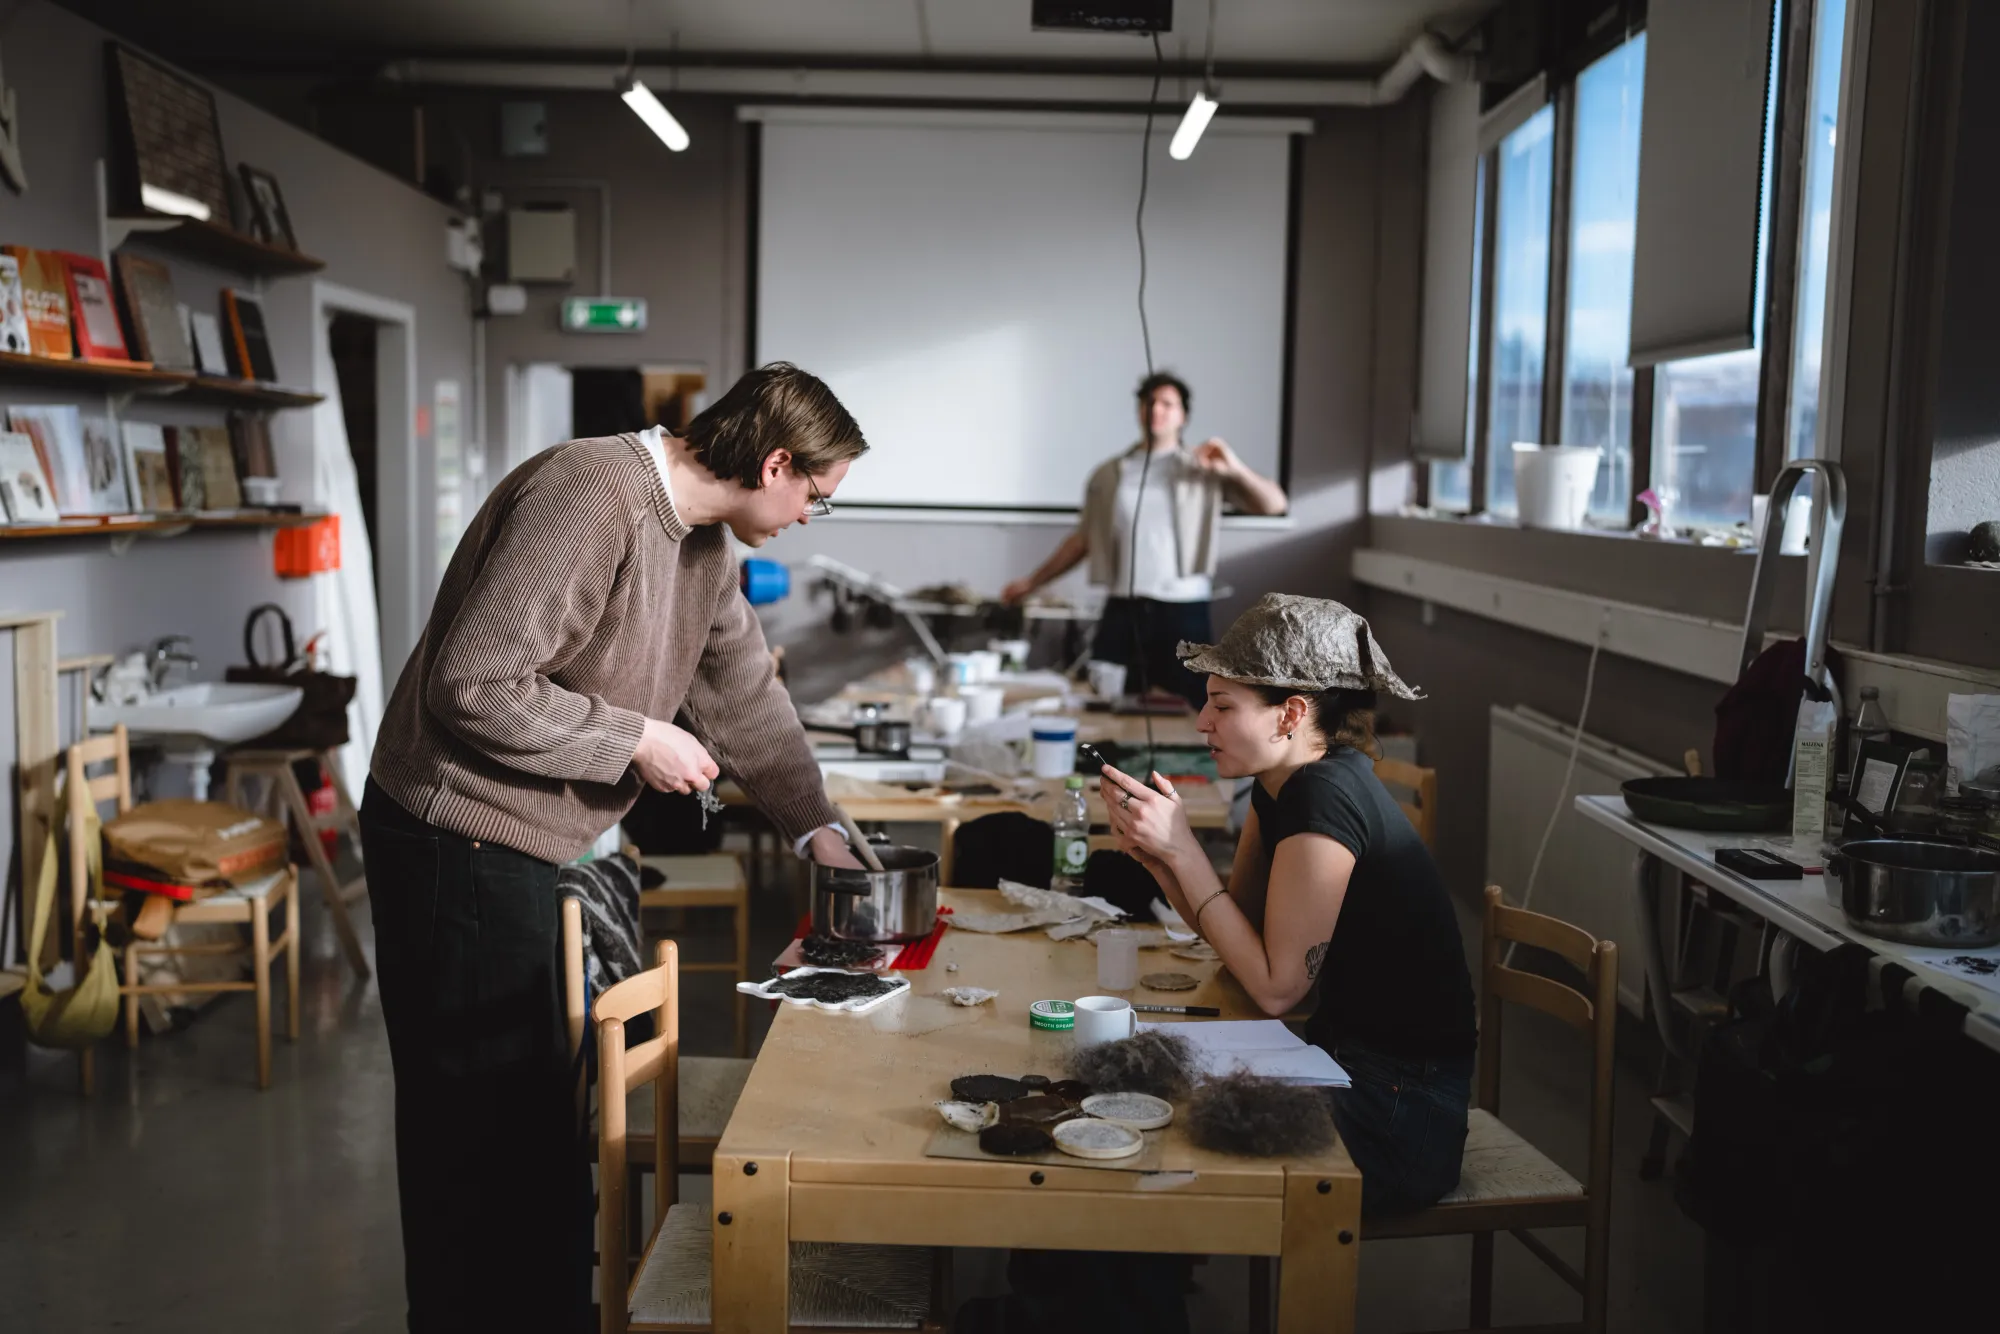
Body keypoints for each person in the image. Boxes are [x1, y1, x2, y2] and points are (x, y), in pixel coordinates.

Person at [359, 361, 868, 1333]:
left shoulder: (705, 544)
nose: (813, 516)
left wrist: (818, 831)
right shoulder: (590, 493)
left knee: (542, 1132)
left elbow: (745, 695)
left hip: (541, 846)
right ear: (774, 463)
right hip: (452, 835)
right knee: (478, 1141)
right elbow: (473, 684)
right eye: (819, 496)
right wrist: (634, 734)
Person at [1102, 592, 1478, 1217]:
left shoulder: (1324, 798)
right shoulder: (1285, 786)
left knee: (1143, 1131)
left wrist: (1187, 853)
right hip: (1341, 1063)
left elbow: (1278, 990)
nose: (1203, 721)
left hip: (1400, 1112)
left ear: (1290, 715)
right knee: (1134, 1101)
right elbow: (1243, 935)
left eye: (1222, 705)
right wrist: (1164, 863)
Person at [1000, 372, 1287, 708]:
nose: (1157, 410)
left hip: (1184, 607)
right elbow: (1083, 539)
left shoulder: (1203, 468)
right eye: (1149, 402)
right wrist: (1033, 582)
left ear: (1183, 415)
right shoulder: (1110, 473)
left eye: (1168, 403)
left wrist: (1233, 468)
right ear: (1138, 410)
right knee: (1108, 699)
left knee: (1195, 703)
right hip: (1125, 606)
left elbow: (1274, 505)